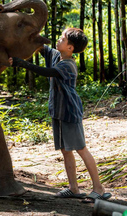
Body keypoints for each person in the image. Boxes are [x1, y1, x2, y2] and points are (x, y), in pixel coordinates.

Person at [9, 28, 111, 204]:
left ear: (70, 48)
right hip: (58, 111)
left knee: (81, 148)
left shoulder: (67, 65)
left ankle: (99, 188)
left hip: (69, 113)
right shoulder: (58, 56)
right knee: (66, 150)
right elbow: (43, 48)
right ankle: (73, 188)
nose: (59, 40)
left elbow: (47, 72)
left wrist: (21, 63)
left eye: (62, 39)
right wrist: (31, 34)